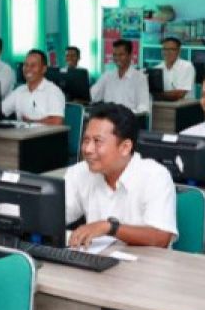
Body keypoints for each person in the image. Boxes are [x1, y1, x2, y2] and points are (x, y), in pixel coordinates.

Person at [65, 103, 177, 248]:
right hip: (96, 260)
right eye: (86, 140)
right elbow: (57, 215)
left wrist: (110, 227)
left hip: (145, 265)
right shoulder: (79, 172)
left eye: (97, 141)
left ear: (125, 147)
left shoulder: (155, 176)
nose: (87, 149)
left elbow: (161, 238)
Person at [0, 49, 65, 124]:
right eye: (26, 65)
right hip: (22, 134)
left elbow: (57, 121)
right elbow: (0, 111)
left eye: (33, 65)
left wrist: (31, 122)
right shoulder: (19, 90)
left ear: (44, 69)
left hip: (45, 134)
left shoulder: (53, 91)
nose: (28, 69)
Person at [89, 39, 150, 114]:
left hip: (128, 120)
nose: (117, 58)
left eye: (121, 54)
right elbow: (94, 96)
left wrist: (128, 115)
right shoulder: (107, 76)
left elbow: (143, 106)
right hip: (108, 120)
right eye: (114, 55)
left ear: (130, 56)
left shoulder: (140, 78)